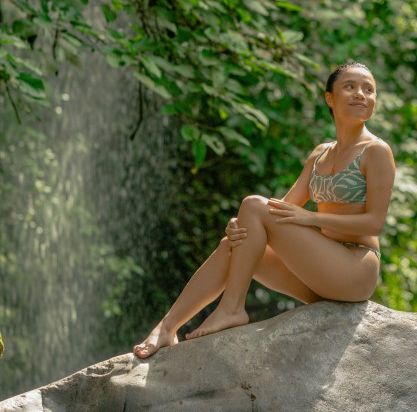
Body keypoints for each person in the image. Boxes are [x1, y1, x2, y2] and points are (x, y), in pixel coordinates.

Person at [133, 62, 395, 358]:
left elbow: (374, 224)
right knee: (238, 242)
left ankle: (232, 308)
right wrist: (243, 224)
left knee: (253, 207)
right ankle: (167, 328)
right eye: (350, 86)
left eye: (369, 89)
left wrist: (311, 218)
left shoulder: (376, 151)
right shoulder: (320, 153)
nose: (361, 94)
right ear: (330, 98)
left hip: (354, 270)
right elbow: (281, 211)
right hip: (318, 275)